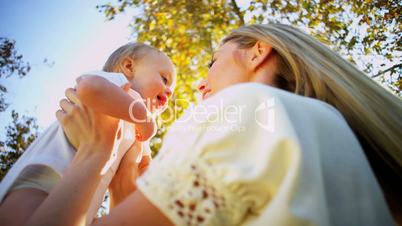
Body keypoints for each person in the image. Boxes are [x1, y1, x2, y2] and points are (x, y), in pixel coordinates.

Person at [4, 23, 402, 226]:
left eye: (212, 61)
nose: (196, 83)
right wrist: (126, 178)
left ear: (257, 53)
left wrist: (97, 153)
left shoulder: (248, 110)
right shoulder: (335, 137)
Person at [0, 42, 176, 225]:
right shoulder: (118, 85)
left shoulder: (140, 133)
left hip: (84, 199)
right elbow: (89, 87)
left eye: (171, 88)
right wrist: (144, 118)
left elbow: (143, 173)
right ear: (128, 66)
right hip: (41, 180)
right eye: (164, 78)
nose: (169, 91)